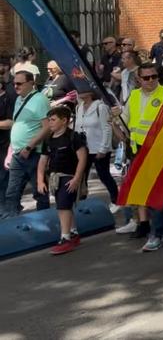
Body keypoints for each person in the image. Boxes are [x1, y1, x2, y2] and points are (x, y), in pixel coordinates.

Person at [110, 63, 163, 250]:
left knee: (154, 193)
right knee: (149, 193)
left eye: (154, 76)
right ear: (139, 79)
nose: (151, 80)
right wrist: (114, 121)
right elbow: (124, 130)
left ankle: (156, 233)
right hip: (137, 151)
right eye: (146, 77)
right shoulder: (133, 96)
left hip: (160, 151)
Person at [38, 106, 88, 255]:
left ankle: (65, 238)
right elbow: (42, 161)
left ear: (64, 121)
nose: (50, 123)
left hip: (69, 176)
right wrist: (40, 180)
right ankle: (73, 233)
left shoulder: (73, 137)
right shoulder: (48, 140)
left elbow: (82, 158)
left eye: (53, 120)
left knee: (63, 207)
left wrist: (77, 178)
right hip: (54, 178)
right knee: (64, 205)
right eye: (49, 120)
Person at [1, 70, 51, 217]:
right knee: (12, 192)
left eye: (19, 83)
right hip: (17, 153)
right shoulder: (18, 99)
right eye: (14, 83)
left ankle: (46, 220)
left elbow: (47, 127)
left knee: (39, 190)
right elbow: (17, 125)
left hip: (33, 153)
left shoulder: (40, 100)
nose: (15, 86)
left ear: (31, 83)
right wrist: (10, 151)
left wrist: (30, 146)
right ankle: (11, 223)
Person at [73, 85, 118, 212]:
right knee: (81, 175)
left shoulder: (100, 107)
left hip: (98, 147)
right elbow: (78, 128)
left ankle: (116, 200)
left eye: (82, 90)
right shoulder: (79, 107)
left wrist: (103, 149)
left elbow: (107, 128)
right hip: (84, 148)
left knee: (104, 175)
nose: (79, 92)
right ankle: (81, 202)